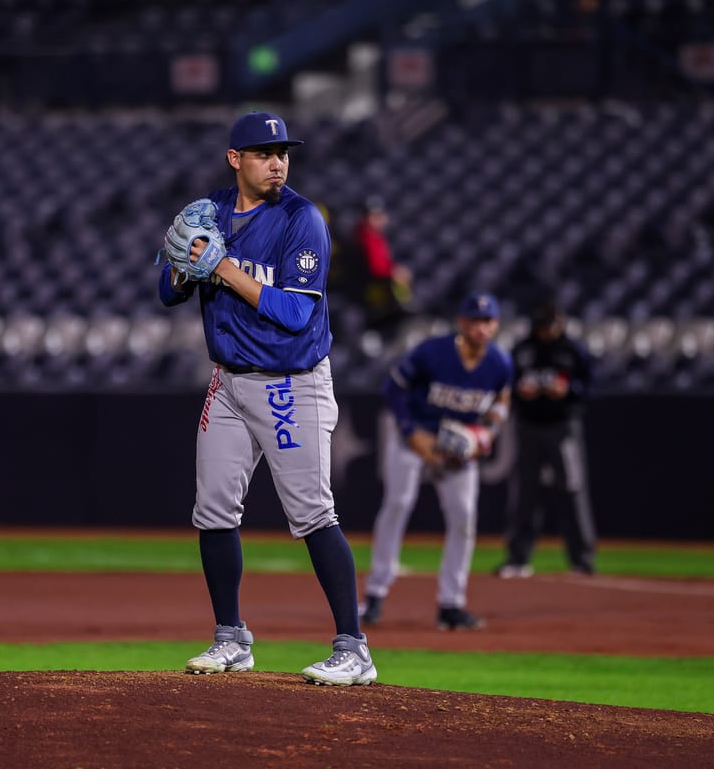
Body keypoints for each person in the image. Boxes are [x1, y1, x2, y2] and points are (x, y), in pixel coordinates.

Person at [157, 111, 376, 686]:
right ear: (235, 159)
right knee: (212, 511)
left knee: (312, 514)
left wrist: (221, 266)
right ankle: (230, 638)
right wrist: (182, 268)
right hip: (228, 381)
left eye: (283, 153)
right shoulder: (212, 210)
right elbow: (168, 293)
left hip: (289, 383)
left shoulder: (303, 219)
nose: (277, 162)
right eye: (263, 153)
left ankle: (353, 648)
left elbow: (294, 311)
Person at [360, 292, 513, 630]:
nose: (481, 327)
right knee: (398, 504)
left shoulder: (500, 362)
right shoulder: (433, 352)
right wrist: (412, 432)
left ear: (496, 325)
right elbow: (394, 388)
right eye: (475, 320)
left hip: (457, 448)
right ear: (462, 322)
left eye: (487, 321)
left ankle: (451, 604)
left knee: (464, 517)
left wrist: (487, 432)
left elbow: (502, 399)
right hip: (414, 438)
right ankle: (374, 595)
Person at [496, 298, 597, 578]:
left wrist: (568, 390)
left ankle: (582, 559)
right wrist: (520, 392)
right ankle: (518, 557)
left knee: (572, 489)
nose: (548, 330)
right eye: (543, 325)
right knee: (526, 493)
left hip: (563, 427)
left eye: (552, 325)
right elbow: (506, 386)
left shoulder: (572, 350)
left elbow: (589, 387)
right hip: (529, 426)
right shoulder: (522, 350)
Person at [354, 196, 415, 334]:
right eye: (374, 216)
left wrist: (395, 270)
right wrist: (394, 273)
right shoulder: (363, 237)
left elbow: (385, 263)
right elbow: (376, 269)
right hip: (371, 289)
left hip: (380, 285)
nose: (380, 219)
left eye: (380, 215)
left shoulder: (376, 236)